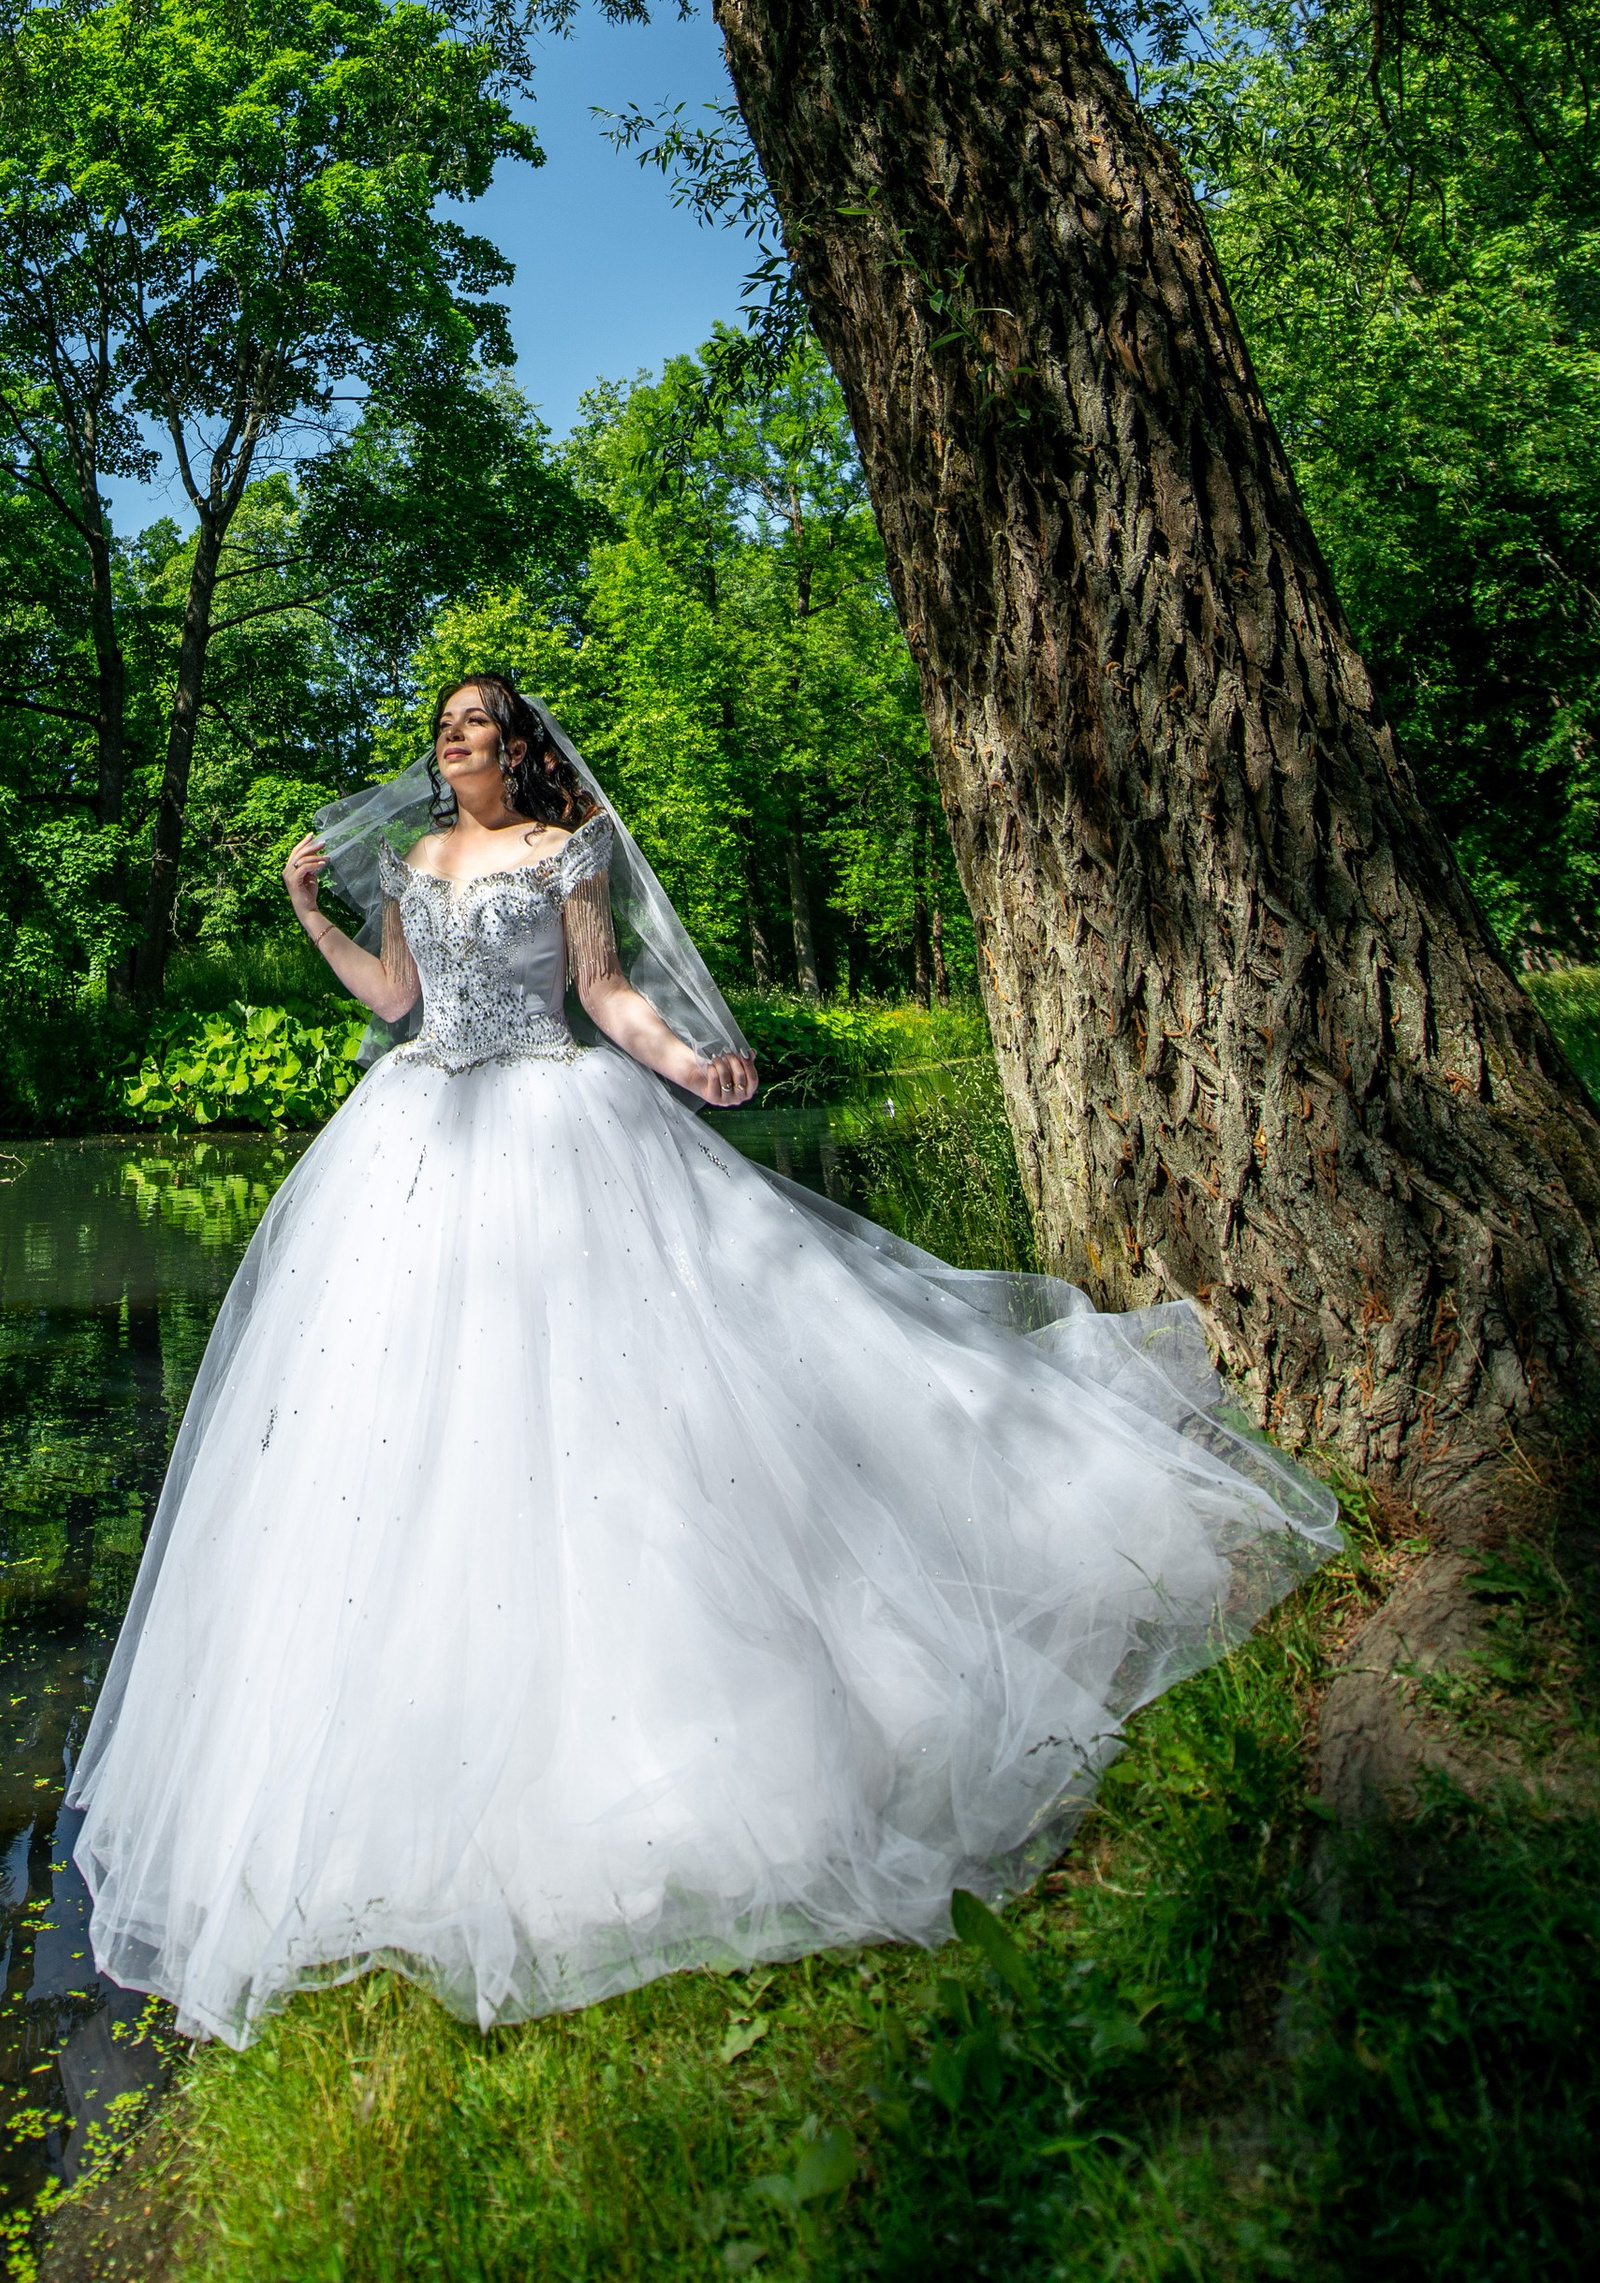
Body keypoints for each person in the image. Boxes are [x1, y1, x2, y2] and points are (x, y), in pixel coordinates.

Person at [68, 670, 1336, 2049]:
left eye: (478, 729)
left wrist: (688, 1064)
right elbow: (391, 992)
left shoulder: (571, 850)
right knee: (391, 1436)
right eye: (444, 731)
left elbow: (603, 992)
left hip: (559, 1124)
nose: (456, 746)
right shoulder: (412, 859)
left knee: (626, 1408)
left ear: (519, 751)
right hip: (415, 1136)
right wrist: (311, 911)